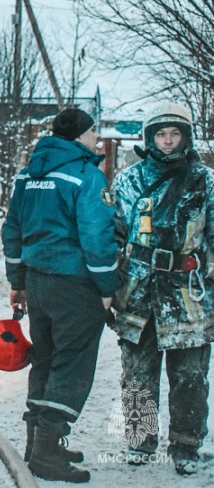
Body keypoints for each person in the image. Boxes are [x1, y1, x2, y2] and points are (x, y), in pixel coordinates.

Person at [2, 108, 118, 483]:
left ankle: (36, 444)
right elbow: (98, 238)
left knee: (46, 360)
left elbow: (13, 229)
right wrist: (106, 289)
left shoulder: (28, 174)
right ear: (79, 135)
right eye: (93, 131)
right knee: (73, 366)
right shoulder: (85, 176)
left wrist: (17, 281)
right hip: (74, 285)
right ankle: (48, 455)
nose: (96, 137)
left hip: (37, 283)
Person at [110, 102, 214, 476]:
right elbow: (113, 234)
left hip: (188, 294)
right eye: (160, 134)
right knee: (137, 374)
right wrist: (107, 287)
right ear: (149, 138)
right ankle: (140, 440)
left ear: (186, 137)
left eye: (175, 134)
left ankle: (186, 444)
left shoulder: (206, 181)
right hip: (137, 291)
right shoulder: (128, 180)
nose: (168, 142)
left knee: (190, 377)